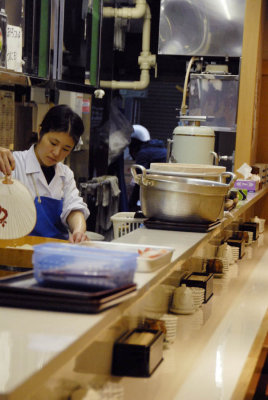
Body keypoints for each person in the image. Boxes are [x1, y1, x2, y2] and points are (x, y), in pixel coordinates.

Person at [0, 104, 90, 243]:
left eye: (66, 149)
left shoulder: (65, 174)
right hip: (17, 253)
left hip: (54, 255)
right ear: (40, 132)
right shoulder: (12, 164)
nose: (56, 153)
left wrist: (78, 231)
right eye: (53, 143)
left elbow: (73, 208)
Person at [128, 124, 167, 211]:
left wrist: (130, 204)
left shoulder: (144, 153)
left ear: (135, 142)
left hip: (154, 195)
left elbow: (140, 182)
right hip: (164, 193)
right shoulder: (161, 149)